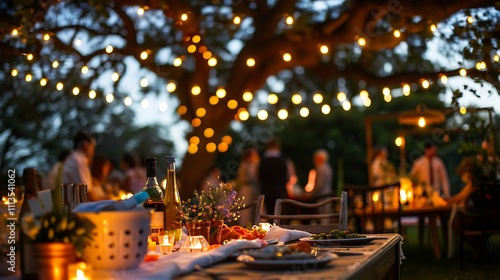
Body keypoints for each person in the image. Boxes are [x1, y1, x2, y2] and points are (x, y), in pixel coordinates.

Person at [445, 156, 499, 260]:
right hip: (492, 218)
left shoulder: (474, 184)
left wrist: (444, 200)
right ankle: (484, 251)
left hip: (485, 220)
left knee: (456, 223)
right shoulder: (484, 181)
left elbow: (458, 198)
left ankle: (484, 250)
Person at [258, 138, 289, 215]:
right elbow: (287, 177)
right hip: (280, 191)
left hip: (266, 191)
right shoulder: (283, 160)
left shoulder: (263, 161)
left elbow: (259, 177)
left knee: (270, 214)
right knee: (280, 214)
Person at [303, 149, 334, 223]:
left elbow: (319, 185)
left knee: (322, 216)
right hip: (327, 195)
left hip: (321, 196)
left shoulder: (320, 169)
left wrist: (311, 195)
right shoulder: (328, 168)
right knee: (326, 216)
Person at [236, 147, 261, 226]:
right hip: (246, 189)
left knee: (257, 207)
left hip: (256, 188)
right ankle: (245, 225)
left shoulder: (258, 164)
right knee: (246, 209)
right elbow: (241, 179)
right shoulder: (244, 165)